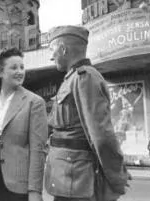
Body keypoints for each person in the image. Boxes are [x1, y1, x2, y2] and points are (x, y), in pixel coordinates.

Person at [45, 25, 129, 201]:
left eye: (53, 50)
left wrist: (116, 175)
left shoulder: (85, 77)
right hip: (67, 177)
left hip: (78, 179)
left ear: (63, 49)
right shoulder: (72, 78)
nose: (51, 56)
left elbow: (101, 135)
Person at [0, 47, 48, 201]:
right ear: (0, 72)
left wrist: (35, 191)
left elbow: (38, 150)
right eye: (14, 67)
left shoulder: (34, 102)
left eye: (22, 67)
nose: (20, 72)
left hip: (17, 184)